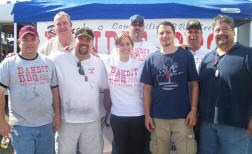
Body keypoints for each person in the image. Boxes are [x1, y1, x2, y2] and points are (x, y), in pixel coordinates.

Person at [0, 25, 61, 154]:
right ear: (18, 42)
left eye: (32, 39)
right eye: (25, 39)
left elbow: (55, 90)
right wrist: (2, 122)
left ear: (38, 41)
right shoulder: (8, 64)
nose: (29, 43)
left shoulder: (48, 63)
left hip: (46, 125)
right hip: (21, 126)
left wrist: (58, 115)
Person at [140, 21, 199, 154]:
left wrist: (194, 110)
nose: (164, 35)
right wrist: (147, 115)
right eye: (161, 33)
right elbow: (147, 89)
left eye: (168, 32)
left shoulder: (186, 55)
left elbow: (194, 84)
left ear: (174, 34)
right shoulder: (151, 58)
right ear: (157, 36)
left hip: (183, 117)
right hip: (158, 118)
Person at [198, 14, 252, 154]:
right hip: (207, 126)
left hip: (236, 126)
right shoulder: (207, 59)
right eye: (217, 30)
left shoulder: (247, 55)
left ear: (233, 32)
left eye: (225, 29)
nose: (221, 33)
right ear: (213, 34)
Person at [50, 27, 109, 154]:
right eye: (80, 39)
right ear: (74, 41)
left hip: (92, 122)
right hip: (66, 121)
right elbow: (37, 60)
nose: (84, 42)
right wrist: (16, 56)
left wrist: (106, 112)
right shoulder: (59, 58)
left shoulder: (99, 63)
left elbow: (106, 87)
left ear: (92, 43)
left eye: (87, 40)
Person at [103, 32, 146, 154]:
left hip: (138, 115)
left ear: (132, 46)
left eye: (128, 44)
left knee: (136, 151)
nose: (125, 47)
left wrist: (179, 46)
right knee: (121, 151)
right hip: (118, 116)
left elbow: (160, 56)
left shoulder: (140, 64)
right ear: (116, 46)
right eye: (121, 44)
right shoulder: (108, 61)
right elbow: (91, 53)